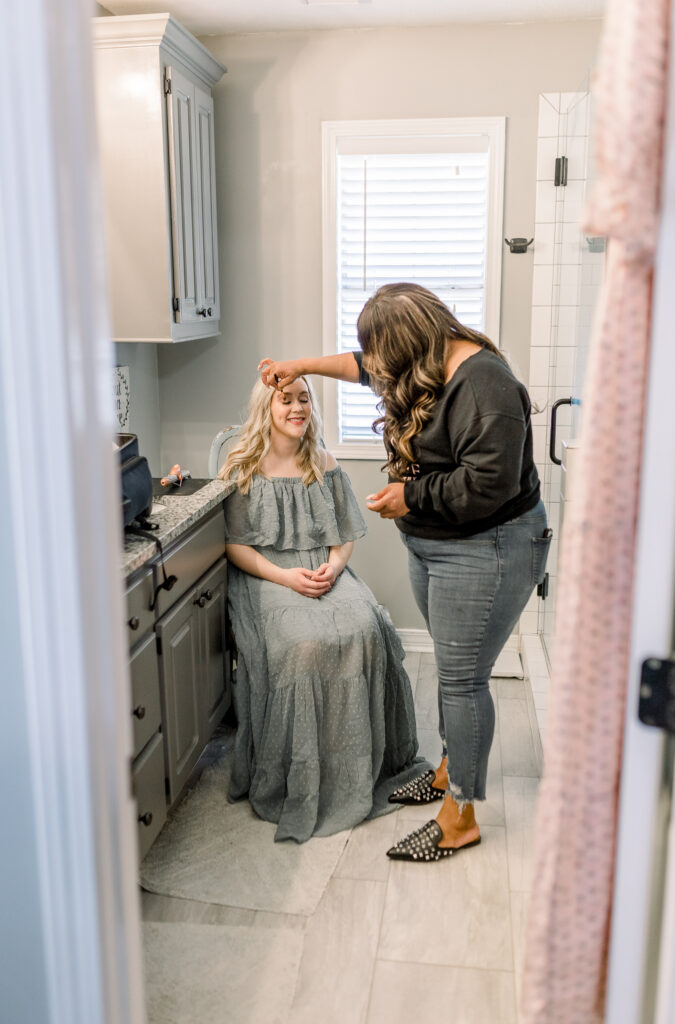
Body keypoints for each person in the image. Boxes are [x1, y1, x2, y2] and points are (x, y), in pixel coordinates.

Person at [258, 282, 551, 863]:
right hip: (442, 547)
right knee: (452, 671)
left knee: (464, 681)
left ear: (414, 344)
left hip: (488, 548)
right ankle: (449, 770)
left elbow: (486, 485)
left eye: (386, 360)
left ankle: (461, 814)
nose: (377, 373)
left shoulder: (487, 387)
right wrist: (299, 363)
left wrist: (408, 498)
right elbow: (362, 365)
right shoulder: (428, 356)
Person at [216, 373, 429, 843]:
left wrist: (332, 569)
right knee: (305, 646)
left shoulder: (323, 463)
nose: (297, 408)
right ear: (265, 409)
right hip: (266, 575)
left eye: (304, 399)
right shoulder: (242, 467)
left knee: (367, 630)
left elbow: (344, 538)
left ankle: (361, 770)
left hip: (324, 569)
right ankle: (300, 776)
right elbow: (236, 546)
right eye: (285, 400)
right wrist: (287, 577)